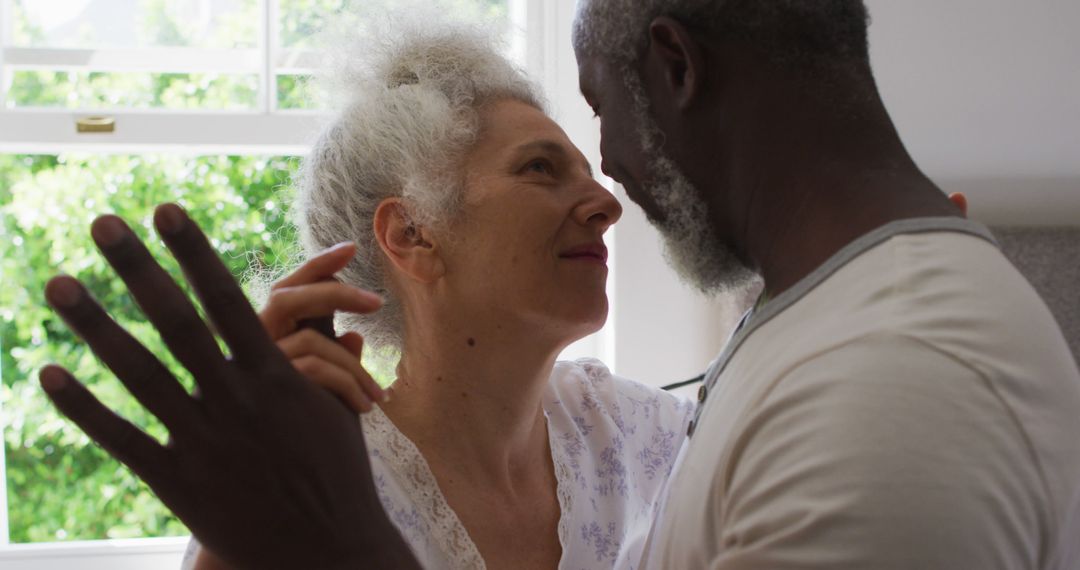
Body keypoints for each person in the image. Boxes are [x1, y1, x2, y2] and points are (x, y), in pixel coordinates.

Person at [37, 2, 1080, 570]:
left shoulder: (650, 441)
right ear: (413, 235)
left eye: (590, 165)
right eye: (544, 170)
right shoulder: (305, 481)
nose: (608, 201)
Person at [568, 0, 1080, 568]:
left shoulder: (889, 387)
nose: (607, 165)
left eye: (598, 108)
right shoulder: (825, 319)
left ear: (678, 68)